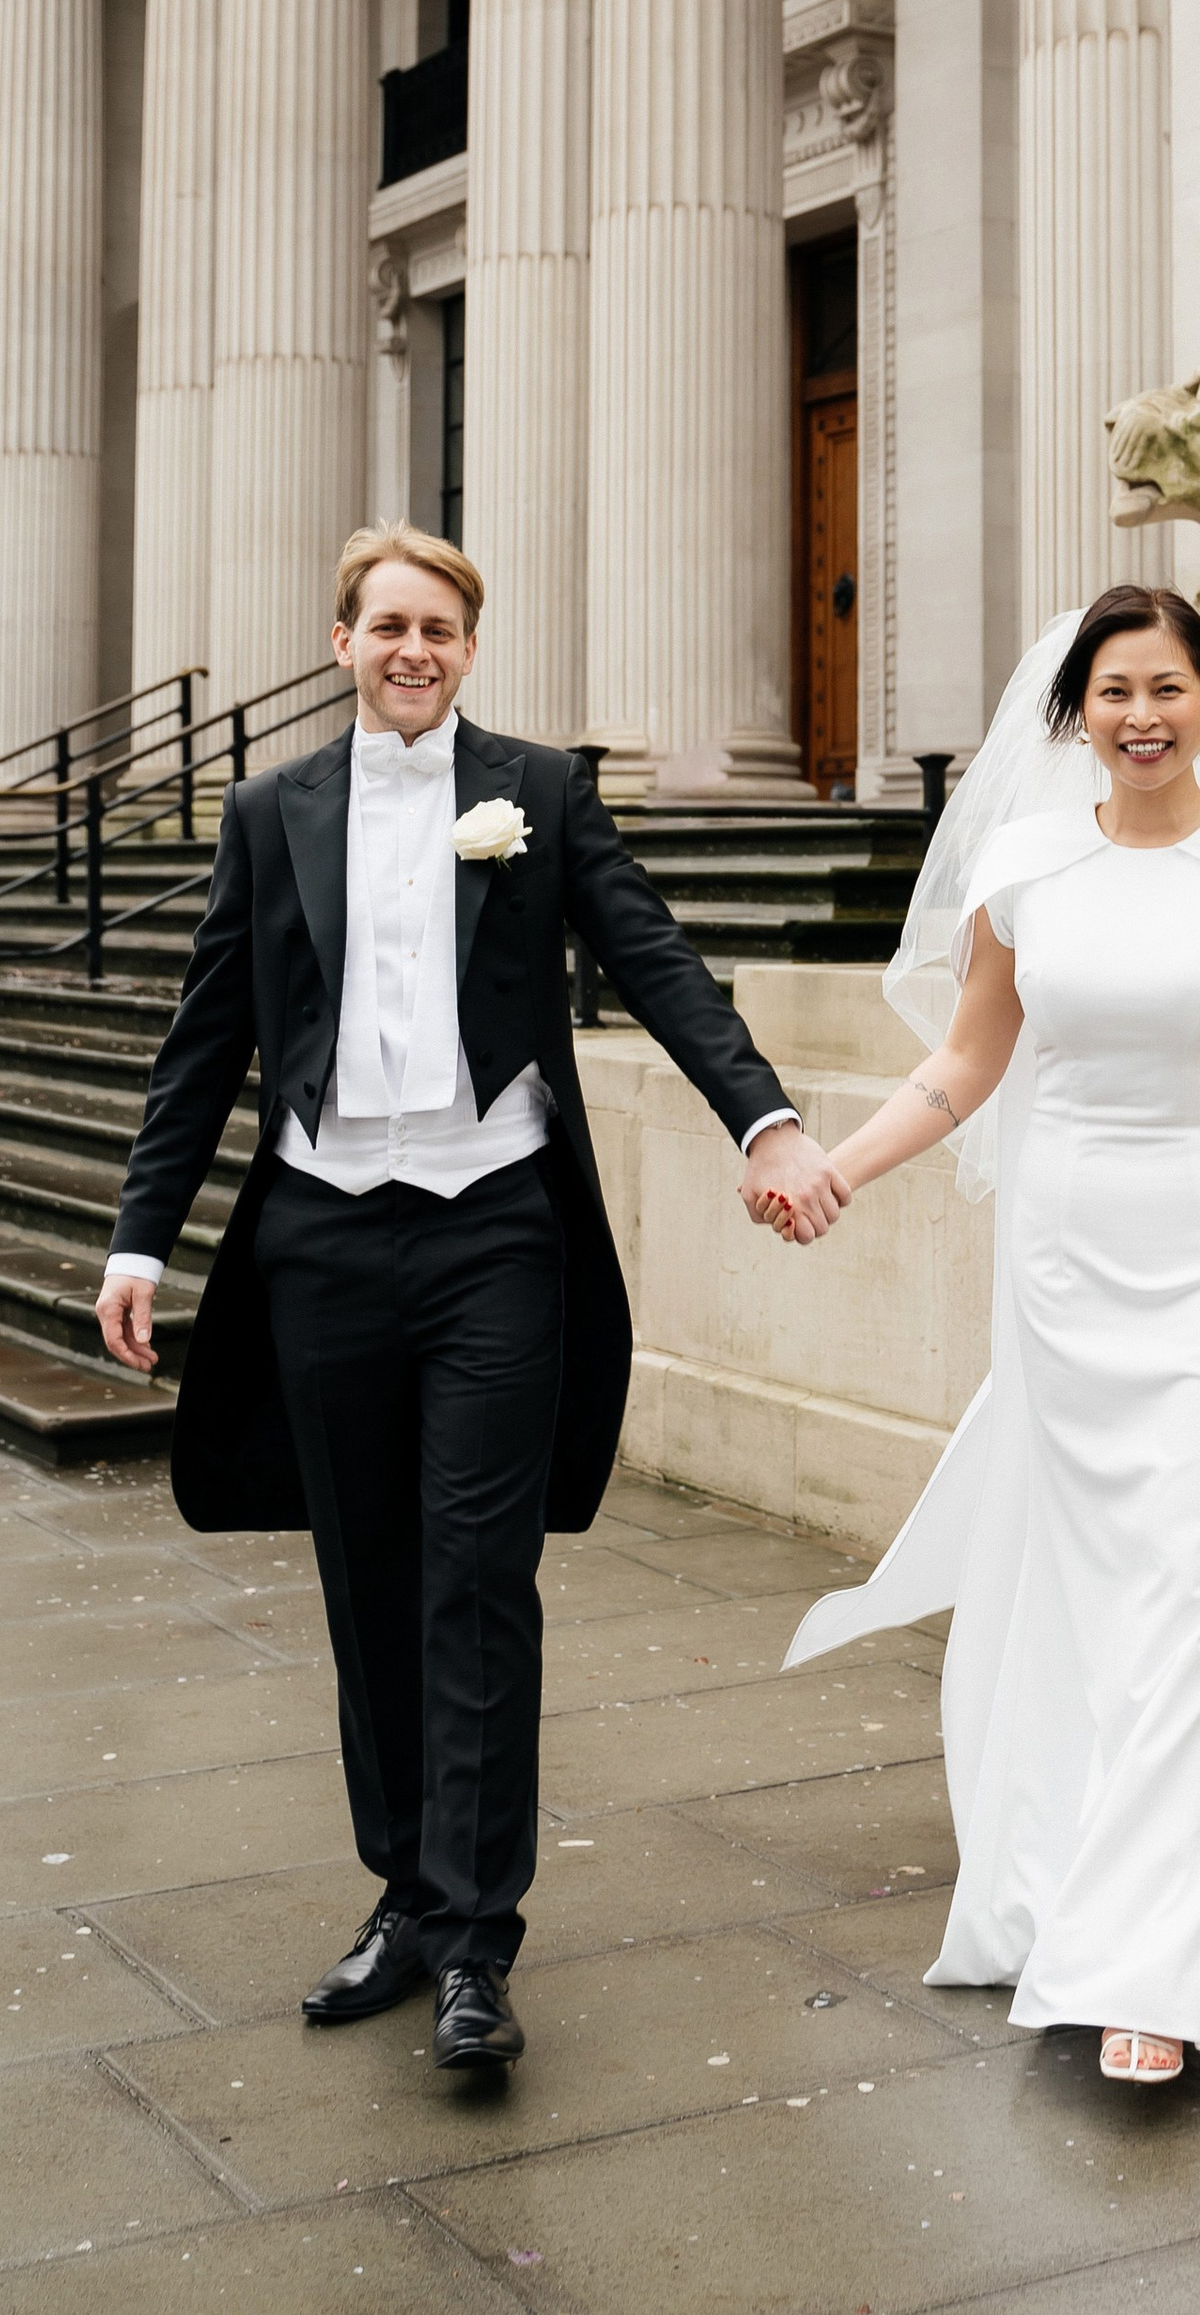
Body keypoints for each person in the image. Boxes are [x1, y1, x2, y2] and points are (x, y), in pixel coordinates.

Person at [94, 525, 848, 2072]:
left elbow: (656, 961)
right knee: (368, 1580)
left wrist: (762, 1116)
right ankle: (405, 1897)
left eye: (439, 626)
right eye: (387, 625)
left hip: (495, 1227)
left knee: (478, 1580)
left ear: (471, 645)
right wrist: (136, 1238)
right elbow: (206, 1035)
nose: (412, 648)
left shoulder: (541, 797)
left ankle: (479, 1946)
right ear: (341, 639)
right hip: (319, 1238)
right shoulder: (269, 809)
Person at [760, 583, 1200, 2082]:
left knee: (1195, 1587)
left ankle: (1155, 1972)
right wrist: (836, 1164)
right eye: (1115, 693)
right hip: (1064, 1255)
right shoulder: (1027, 864)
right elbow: (968, 1066)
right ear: (1075, 716)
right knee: (1087, 1588)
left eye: (1169, 687)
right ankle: (1063, 1888)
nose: (1144, 716)